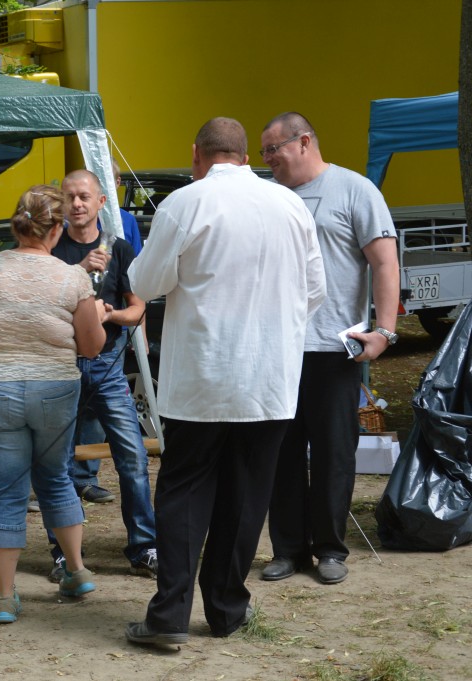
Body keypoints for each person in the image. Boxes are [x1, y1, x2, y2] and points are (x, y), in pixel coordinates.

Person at [125, 117, 325, 645]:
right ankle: (227, 609)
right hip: (269, 378)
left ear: (197, 153)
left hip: (204, 376)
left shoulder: (186, 202)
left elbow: (145, 281)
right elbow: (314, 291)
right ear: (245, 155)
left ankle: (169, 615)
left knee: (185, 492)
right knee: (247, 495)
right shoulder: (290, 205)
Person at [0, 184, 106, 624]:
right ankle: (76, 571)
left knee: (6, 491)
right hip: (55, 389)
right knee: (56, 478)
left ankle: (4, 596)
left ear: (17, 224)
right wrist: (93, 317)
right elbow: (92, 347)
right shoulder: (72, 276)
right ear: (56, 229)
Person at [259, 112, 400, 586]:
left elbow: (385, 263)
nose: (267, 159)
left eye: (273, 149)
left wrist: (384, 332)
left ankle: (331, 550)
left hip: (335, 349)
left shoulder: (355, 190)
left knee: (333, 454)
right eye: (263, 152)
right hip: (278, 348)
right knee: (280, 452)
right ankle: (288, 549)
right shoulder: (269, 196)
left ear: (303, 142)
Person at [47, 169, 159, 582]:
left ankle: (143, 547)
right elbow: (42, 305)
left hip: (107, 366)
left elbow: (138, 308)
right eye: (69, 197)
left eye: (84, 196)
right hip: (61, 365)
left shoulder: (119, 248)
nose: (77, 204)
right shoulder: (50, 247)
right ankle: (64, 555)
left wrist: (110, 316)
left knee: (132, 456)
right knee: (57, 462)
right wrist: (79, 269)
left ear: (101, 202)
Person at [112, 159, 143, 255]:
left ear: (117, 182)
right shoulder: (77, 220)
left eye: (105, 181)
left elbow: (136, 259)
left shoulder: (129, 220)